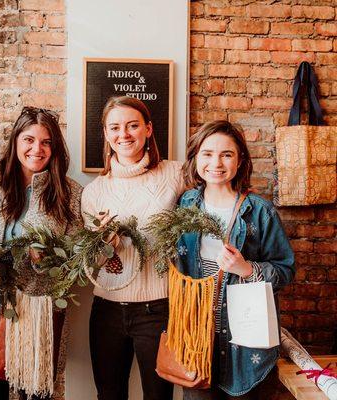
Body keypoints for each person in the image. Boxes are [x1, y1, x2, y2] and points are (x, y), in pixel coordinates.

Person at [177, 120, 295, 399]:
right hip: (197, 341)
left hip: (245, 347)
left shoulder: (260, 211)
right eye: (207, 154)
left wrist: (247, 269)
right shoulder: (185, 204)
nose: (216, 163)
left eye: (226, 154)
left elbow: (286, 270)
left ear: (240, 160)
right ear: (195, 158)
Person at [0, 106, 83, 400]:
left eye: (46, 142)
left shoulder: (69, 194)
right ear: (15, 142)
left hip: (39, 323)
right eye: (29, 140)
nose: (37, 149)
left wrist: (50, 262)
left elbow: (75, 261)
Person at [81, 96, 183, 400]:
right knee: (109, 395)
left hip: (159, 308)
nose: (123, 134)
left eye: (132, 125)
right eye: (115, 127)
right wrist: (103, 244)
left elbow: (199, 225)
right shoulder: (94, 191)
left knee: (158, 395)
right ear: (106, 134)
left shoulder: (176, 175)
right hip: (107, 309)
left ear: (149, 129)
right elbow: (92, 261)